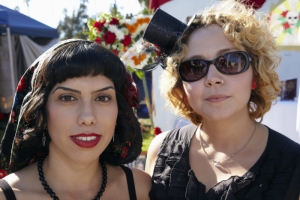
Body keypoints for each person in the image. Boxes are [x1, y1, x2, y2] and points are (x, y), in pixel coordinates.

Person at [144, 0, 300, 199]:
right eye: (195, 67)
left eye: (230, 62)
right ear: (180, 85)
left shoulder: (294, 164)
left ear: (256, 75)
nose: (213, 79)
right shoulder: (160, 151)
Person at [0, 39, 151, 200]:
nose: (88, 118)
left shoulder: (140, 188)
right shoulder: (7, 195)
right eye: (67, 98)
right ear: (40, 112)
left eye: (102, 98)